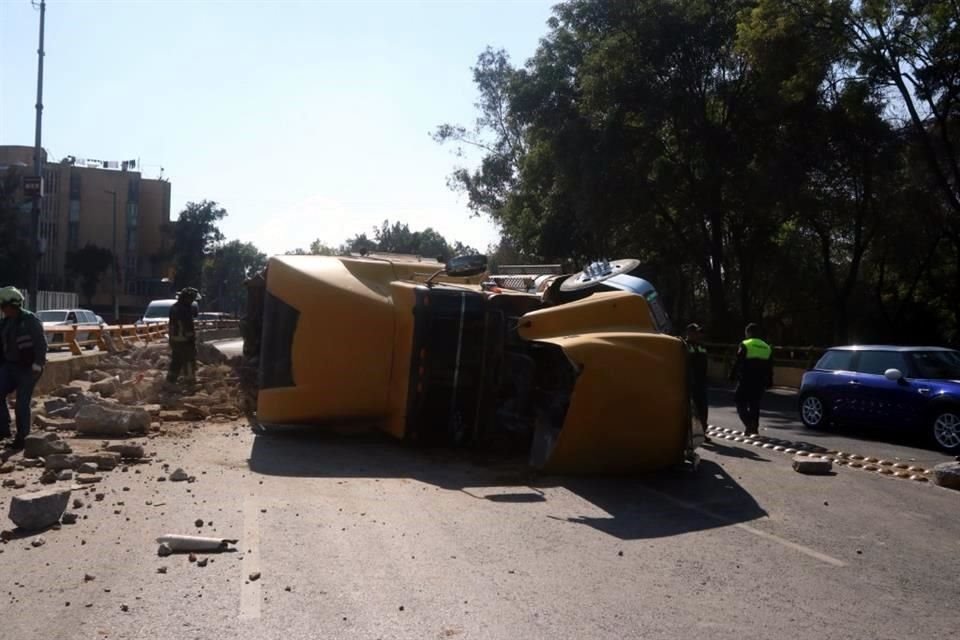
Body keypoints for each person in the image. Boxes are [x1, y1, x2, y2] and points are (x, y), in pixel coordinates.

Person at [0, 286, 47, 450]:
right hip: (9, 366)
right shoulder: (5, 322)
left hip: (28, 368)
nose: (2, 310)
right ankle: (3, 430)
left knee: (22, 402)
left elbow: (41, 343)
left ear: (12, 305)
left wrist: (38, 363)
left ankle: (22, 437)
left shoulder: (29, 320)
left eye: (3, 306)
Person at [730, 322, 773, 436]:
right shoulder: (766, 346)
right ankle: (754, 428)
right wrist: (770, 381)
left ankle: (749, 424)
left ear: (748, 333)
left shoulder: (745, 344)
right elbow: (770, 366)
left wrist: (732, 375)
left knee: (739, 401)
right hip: (760, 381)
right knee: (755, 404)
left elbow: (738, 362)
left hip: (746, 379)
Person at [167, 287, 200, 385]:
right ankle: (190, 382)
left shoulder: (174, 307)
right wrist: (192, 339)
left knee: (176, 361)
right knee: (189, 360)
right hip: (184, 340)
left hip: (174, 340)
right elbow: (188, 325)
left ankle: (170, 381)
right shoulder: (185, 310)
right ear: (188, 298)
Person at [684, 322, 711, 443]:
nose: (698, 334)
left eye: (698, 332)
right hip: (688, 382)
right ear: (689, 333)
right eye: (695, 332)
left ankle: (702, 433)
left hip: (701, 382)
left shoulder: (701, 346)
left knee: (702, 409)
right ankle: (688, 435)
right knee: (689, 410)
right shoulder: (683, 345)